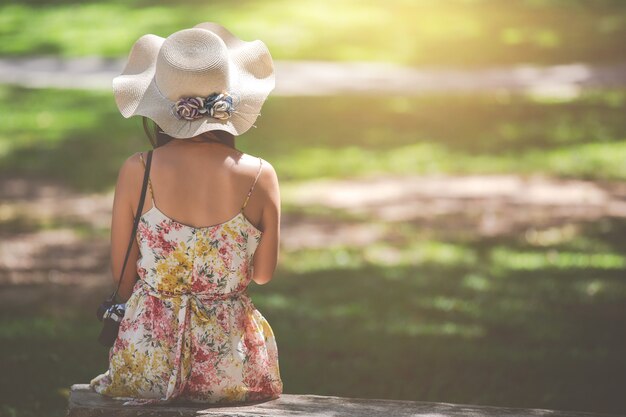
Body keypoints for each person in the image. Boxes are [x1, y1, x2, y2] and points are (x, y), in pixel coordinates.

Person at [89, 22, 283, 406]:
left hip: (148, 363)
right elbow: (262, 274)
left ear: (159, 108)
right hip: (230, 366)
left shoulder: (137, 170)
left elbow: (124, 279)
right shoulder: (261, 174)